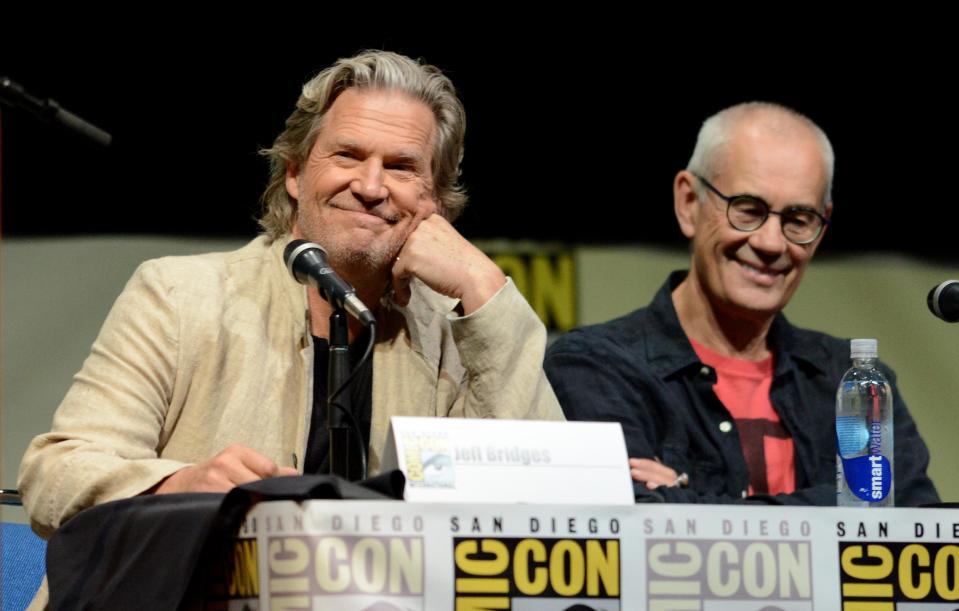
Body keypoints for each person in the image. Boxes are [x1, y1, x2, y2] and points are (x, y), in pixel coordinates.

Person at [19, 50, 563, 538]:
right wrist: (180, 486)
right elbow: (55, 476)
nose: (371, 188)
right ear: (296, 173)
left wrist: (485, 288)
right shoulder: (179, 295)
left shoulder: (455, 333)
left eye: (400, 167)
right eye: (348, 156)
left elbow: (549, 500)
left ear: (437, 201)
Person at [544, 102, 938, 505]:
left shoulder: (854, 381)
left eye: (799, 220)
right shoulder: (595, 367)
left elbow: (911, 521)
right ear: (688, 203)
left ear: (821, 228)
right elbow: (633, 528)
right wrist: (851, 502)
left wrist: (692, 501)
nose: (771, 243)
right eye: (747, 210)